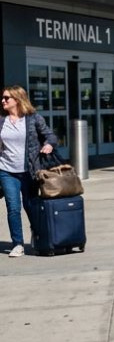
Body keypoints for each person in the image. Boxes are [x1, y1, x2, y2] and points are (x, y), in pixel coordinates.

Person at [1, 86, 59, 257]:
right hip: (6, 170)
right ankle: (17, 243)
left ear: (17, 100)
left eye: (6, 98)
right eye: (3, 98)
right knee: (13, 207)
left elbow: (50, 135)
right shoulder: (1, 121)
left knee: (31, 206)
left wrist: (48, 144)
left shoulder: (33, 118)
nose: (3, 101)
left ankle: (38, 235)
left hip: (29, 171)